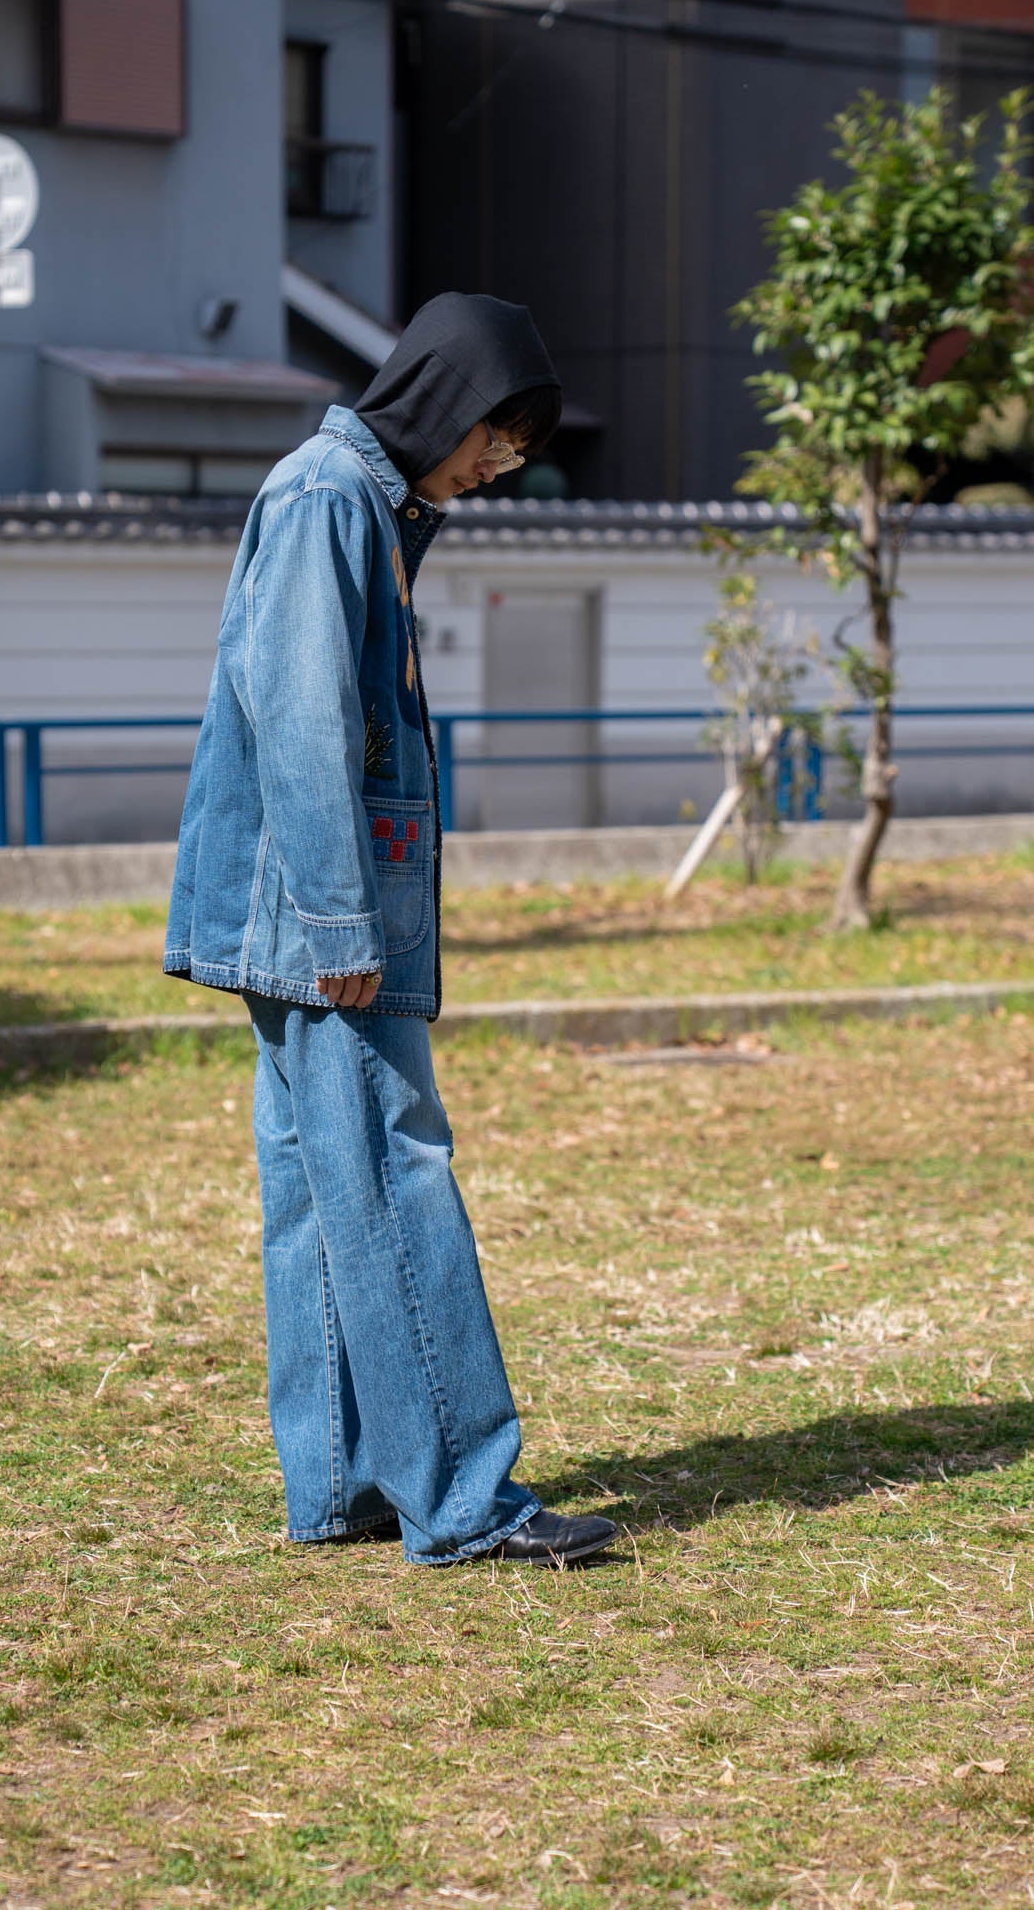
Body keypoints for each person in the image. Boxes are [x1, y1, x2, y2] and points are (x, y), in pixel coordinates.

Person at [164, 292, 618, 1567]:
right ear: (437, 396)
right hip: (324, 914)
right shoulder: (329, 499)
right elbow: (302, 714)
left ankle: (347, 1481)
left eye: (516, 451)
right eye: (493, 435)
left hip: (312, 908)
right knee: (396, 1162)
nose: (496, 465)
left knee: (322, 1186)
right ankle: (465, 1498)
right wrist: (336, 915)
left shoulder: (358, 501)